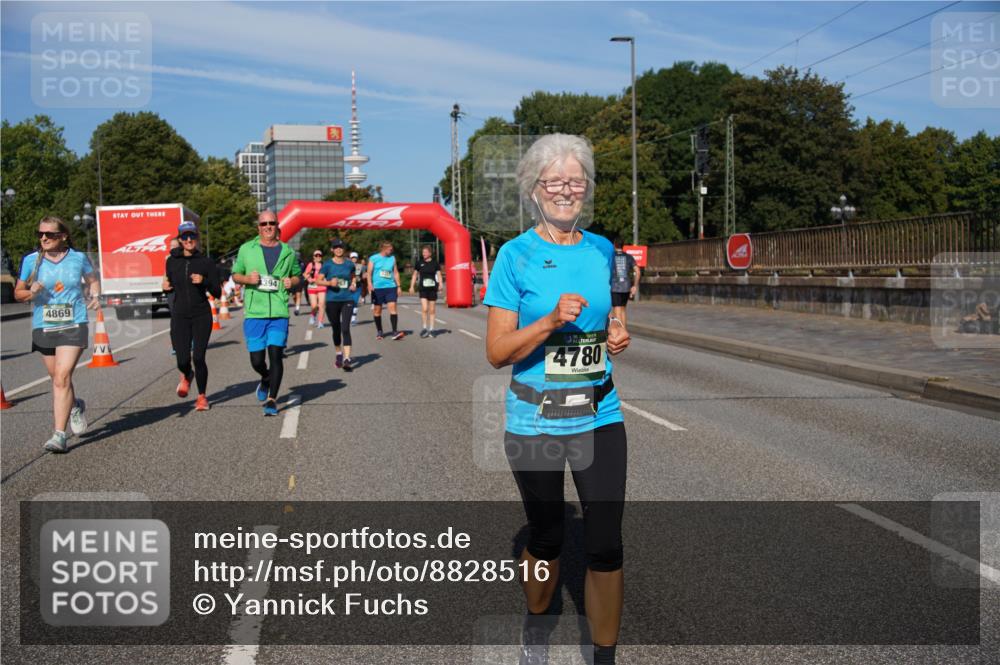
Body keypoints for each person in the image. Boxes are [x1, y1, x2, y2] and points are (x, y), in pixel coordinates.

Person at [484, 134, 631, 665]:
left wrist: (617, 330)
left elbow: (615, 314)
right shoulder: (515, 256)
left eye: (575, 180)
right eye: (555, 181)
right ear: (534, 190)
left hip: (599, 412)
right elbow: (496, 352)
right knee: (547, 537)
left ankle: (604, 659)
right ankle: (538, 627)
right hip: (536, 419)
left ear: (585, 188)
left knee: (605, 545)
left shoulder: (603, 249)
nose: (566, 190)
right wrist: (547, 322)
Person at [13, 216, 101, 453]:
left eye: (49, 234)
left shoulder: (78, 258)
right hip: (44, 324)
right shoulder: (31, 261)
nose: (43, 238)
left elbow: (93, 281)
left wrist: (95, 295)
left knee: (62, 376)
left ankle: (59, 435)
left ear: (62, 236)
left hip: (74, 322)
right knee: (56, 378)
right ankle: (75, 405)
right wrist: (29, 291)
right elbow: (18, 293)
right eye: (40, 234)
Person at [230, 210, 302, 416]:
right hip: (255, 312)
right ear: (258, 228)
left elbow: (297, 276)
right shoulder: (247, 249)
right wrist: (247, 280)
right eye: (264, 224)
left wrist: (292, 282)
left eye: (272, 223)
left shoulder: (288, 252)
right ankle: (265, 377)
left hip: (279, 312)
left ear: (277, 226)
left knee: (276, 355)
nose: (268, 227)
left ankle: (272, 399)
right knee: (257, 360)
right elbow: (235, 275)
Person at [162, 221, 221, 411]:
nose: (189, 240)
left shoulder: (206, 262)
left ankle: (202, 396)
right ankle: (187, 374)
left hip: (201, 314)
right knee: (181, 360)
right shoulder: (171, 261)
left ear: (197, 238)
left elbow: (217, 292)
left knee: (198, 357)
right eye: (185, 237)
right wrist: (164, 287)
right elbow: (169, 283)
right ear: (179, 240)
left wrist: (204, 281)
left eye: (192, 236)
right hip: (179, 315)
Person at [317, 238, 357, 371]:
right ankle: (338, 353)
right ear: (332, 250)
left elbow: (352, 276)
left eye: (341, 247)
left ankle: (347, 358)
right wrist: (329, 283)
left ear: (343, 249)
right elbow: (318, 280)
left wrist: (353, 283)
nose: (339, 249)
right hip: (332, 300)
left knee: (345, 328)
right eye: (336, 247)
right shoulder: (328, 265)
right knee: (336, 329)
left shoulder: (349, 264)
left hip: (347, 299)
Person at [366, 241, 405, 340]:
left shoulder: (392, 258)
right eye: (390, 249)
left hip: (391, 287)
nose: (391, 251)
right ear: (383, 248)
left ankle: (394, 332)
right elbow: (369, 273)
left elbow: (395, 273)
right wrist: (370, 284)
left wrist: (399, 286)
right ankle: (379, 331)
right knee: (377, 310)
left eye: (392, 249)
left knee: (393, 308)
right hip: (378, 288)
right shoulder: (374, 258)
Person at [409, 244, 442, 338]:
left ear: (430, 253)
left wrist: (440, 284)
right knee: (424, 308)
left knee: (432, 310)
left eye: (425, 252)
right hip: (423, 289)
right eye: (423, 252)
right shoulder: (419, 263)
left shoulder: (435, 263)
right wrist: (412, 286)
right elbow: (415, 275)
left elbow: (439, 275)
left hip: (432, 289)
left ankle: (432, 329)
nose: (424, 254)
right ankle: (424, 328)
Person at [610, 237, 640, 328]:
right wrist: (634, 286)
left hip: (615, 286)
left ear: (614, 245)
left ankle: (620, 332)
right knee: (623, 309)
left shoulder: (611, 256)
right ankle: (624, 330)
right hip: (626, 287)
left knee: (617, 309)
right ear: (623, 246)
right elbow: (637, 271)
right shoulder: (629, 257)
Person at [302, 249, 326, 328]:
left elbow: (328, 275)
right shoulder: (311, 265)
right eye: (316, 255)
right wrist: (309, 279)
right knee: (314, 306)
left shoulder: (324, 265)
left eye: (320, 255)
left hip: (322, 286)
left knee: (322, 304)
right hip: (312, 287)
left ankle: (320, 322)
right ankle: (313, 315)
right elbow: (305, 274)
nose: (318, 257)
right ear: (314, 257)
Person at [350, 251, 363, 325]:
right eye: (352, 257)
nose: (354, 259)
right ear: (350, 258)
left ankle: (353, 319)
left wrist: (363, 276)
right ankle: (348, 318)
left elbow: (361, 276)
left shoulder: (360, 266)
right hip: (348, 287)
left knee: (355, 302)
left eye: (355, 257)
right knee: (348, 303)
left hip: (358, 286)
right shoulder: (347, 265)